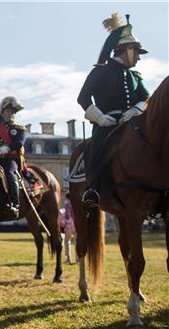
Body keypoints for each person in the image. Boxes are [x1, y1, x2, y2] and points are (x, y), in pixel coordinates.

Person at [77, 13, 149, 208]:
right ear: (124, 50)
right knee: (99, 147)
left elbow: (146, 97)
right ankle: (92, 189)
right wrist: (99, 118)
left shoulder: (135, 76)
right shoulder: (100, 71)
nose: (139, 57)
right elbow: (83, 98)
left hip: (133, 122)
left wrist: (134, 110)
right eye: (136, 51)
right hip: (107, 124)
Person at [0, 96, 27, 218]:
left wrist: (3, 149)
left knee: (9, 172)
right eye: (8, 111)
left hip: (11, 159)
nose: (11, 114)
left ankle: (15, 204)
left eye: (13, 112)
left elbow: (19, 143)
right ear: (2, 113)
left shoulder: (19, 129)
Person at [61, 193, 77, 264]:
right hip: (76, 223)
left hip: (69, 224)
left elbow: (67, 215)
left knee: (67, 241)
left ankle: (68, 258)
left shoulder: (67, 204)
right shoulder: (76, 203)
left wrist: (64, 224)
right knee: (77, 242)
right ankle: (78, 258)